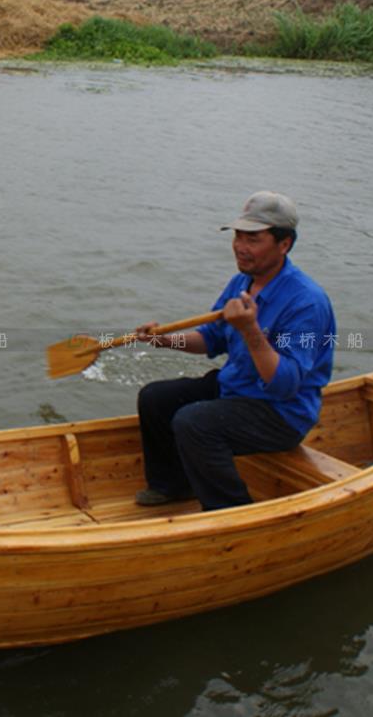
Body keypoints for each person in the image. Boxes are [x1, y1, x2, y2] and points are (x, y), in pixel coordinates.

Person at [134, 191, 335, 511]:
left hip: (281, 413)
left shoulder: (306, 303)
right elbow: (212, 339)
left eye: (253, 238)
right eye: (238, 236)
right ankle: (173, 485)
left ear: (284, 244)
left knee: (194, 422)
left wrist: (250, 330)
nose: (241, 246)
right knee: (155, 398)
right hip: (238, 388)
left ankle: (231, 510)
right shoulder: (242, 281)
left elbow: (285, 384)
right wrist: (160, 340)